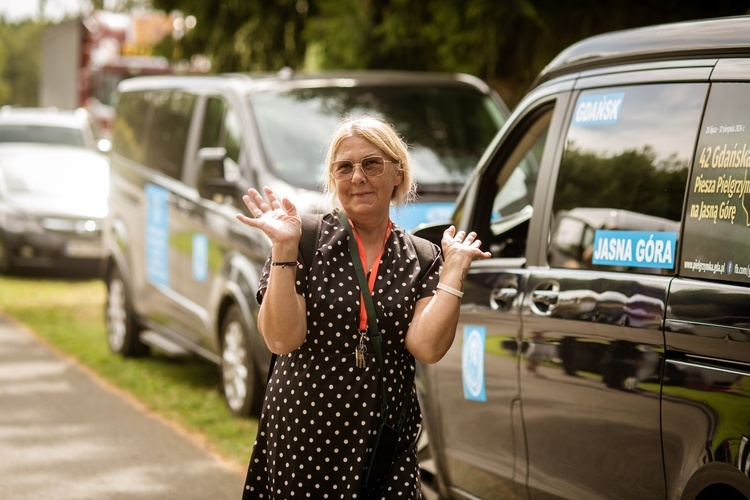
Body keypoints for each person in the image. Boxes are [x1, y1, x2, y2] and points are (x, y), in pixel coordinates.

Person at [235, 115, 490, 498]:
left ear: (398, 173)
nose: (358, 177)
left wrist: (453, 271)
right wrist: (283, 249)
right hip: (303, 438)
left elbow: (428, 347)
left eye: (372, 164)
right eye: (345, 167)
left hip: (383, 442)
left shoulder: (421, 257)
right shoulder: (301, 238)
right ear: (334, 179)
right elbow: (281, 339)